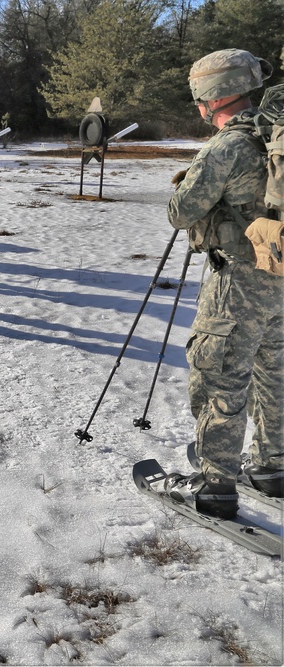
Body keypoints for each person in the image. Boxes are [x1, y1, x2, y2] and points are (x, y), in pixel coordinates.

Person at [163, 48, 283, 517]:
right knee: (273, 376)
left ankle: (215, 486)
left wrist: (185, 184)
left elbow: (180, 212)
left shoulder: (227, 147)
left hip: (237, 281)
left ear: (211, 97)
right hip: (280, 277)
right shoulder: (273, 136)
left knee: (219, 377)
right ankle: (272, 467)